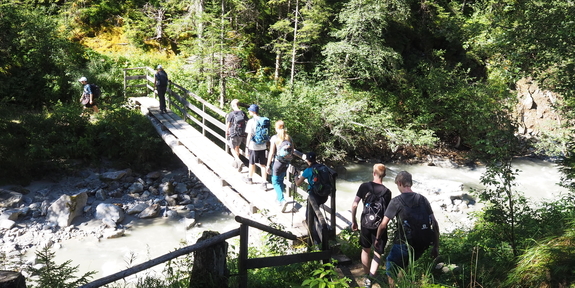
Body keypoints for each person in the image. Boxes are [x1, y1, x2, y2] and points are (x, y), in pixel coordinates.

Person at [375, 171, 440, 288]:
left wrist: (378, 238)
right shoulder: (423, 199)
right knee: (405, 264)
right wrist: (436, 246)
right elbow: (434, 223)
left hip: (404, 244)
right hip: (422, 243)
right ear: (411, 183)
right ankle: (404, 283)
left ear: (400, 183)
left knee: (391, 266)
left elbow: (383, 224)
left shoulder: (396, 201)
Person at [350, 164, 392, 288]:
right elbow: (387, 213)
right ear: (384, 175)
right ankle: (371, 278)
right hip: (380, 226)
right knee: (377, 252)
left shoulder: (364, 186)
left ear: (374, 173)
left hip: (365, 224)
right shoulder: (387, 192)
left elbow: (354, 205)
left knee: (365, 250)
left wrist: (354, 221)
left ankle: (366, 275)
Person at [266, 120, 294, 206]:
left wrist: (268, 165)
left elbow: (271, 152)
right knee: (280, 179)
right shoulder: (289, 138)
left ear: (276, 128)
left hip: (278, 162)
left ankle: (282, 199)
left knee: (274, 181)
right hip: (286, 162)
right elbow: (292, 150)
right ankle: (279, 198)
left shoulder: (275, 138)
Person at [244, 104, 268, 187]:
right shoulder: (263, 120)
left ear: (253, 112)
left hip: (253, 145)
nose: (248, 111)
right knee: (263, 165)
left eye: (250, 110)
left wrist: (246, 147)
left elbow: (249, 135)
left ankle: (250, 178)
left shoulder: (251, 121)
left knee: (251, 162)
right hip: (263, 145)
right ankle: (264, 182)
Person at [226, 99, 248, 172]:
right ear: (238, 105)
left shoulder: (232, 114)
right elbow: (247, 121)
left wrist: (227, 131)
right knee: (237, 148)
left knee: (232, 148)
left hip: (233, 133)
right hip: (241, 133)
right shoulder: (243, 113)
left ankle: (238, 161)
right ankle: (237, 165)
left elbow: (228, 124)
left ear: (233, 105)